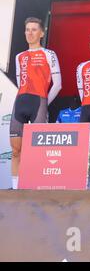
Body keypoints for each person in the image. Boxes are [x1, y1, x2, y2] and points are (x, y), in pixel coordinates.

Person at [10, 17, 62, 189]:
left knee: (38, 149)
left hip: (39, 101)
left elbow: (58, 84)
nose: (30, 33)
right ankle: (16, 189)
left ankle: (37, 187)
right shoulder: (19, 56)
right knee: (16, 149)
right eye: (27, 30)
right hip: (21, 102)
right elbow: (20, 81)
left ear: (41, 33)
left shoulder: (49, 54)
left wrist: (44, 101)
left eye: (33, 30)